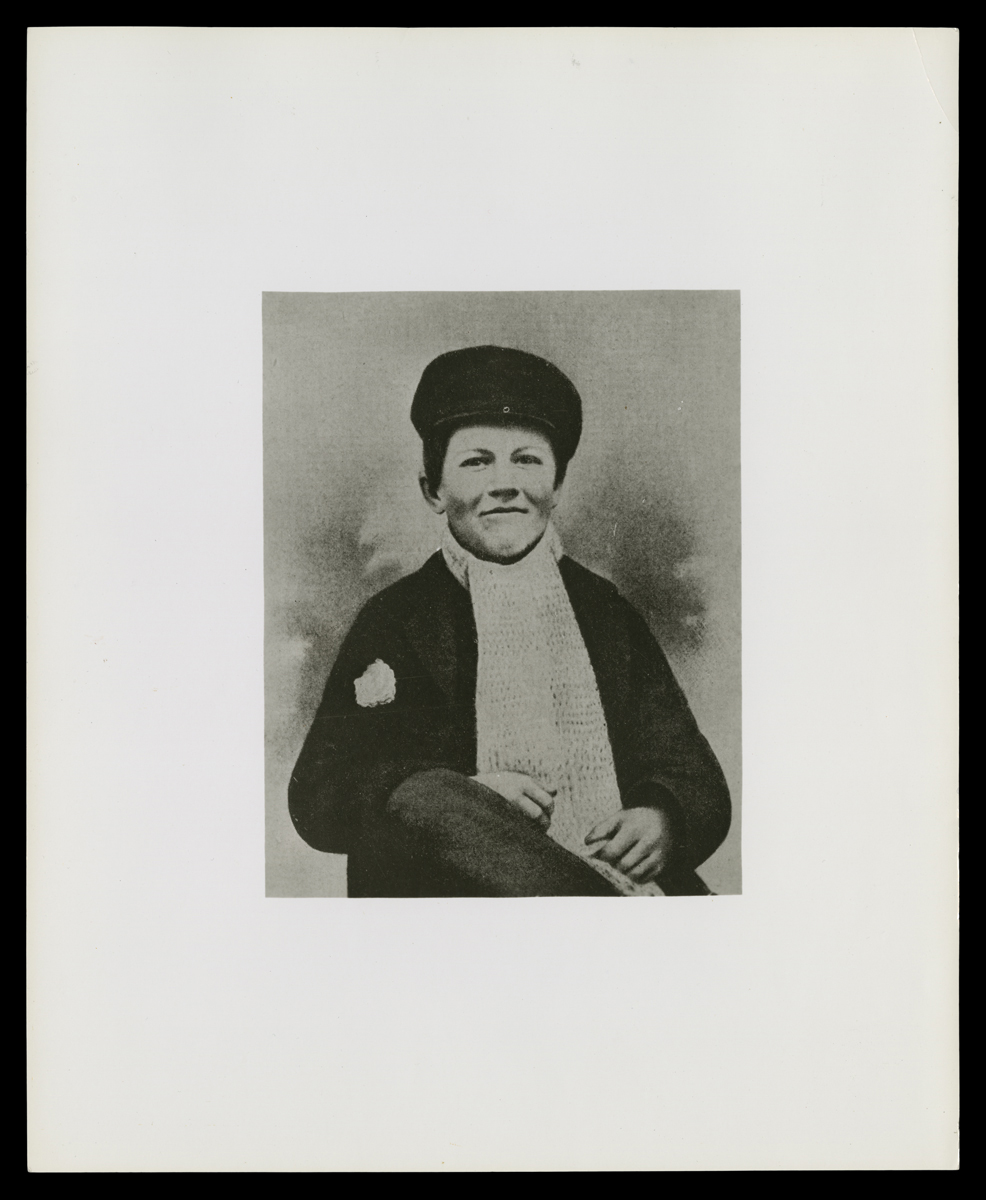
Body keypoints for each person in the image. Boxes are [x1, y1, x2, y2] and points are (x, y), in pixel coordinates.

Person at [288, 345, 731, 896]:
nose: (505, 483)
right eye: (476, 461)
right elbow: (318, 799)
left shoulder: (605, 612)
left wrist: (666, 816)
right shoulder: (398, 619)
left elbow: (692, 771)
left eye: (527, 460)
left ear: (558, 487)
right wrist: (464, 801)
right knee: (428, 797)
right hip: (455, 901)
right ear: (433, 490)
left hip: (626, 880)